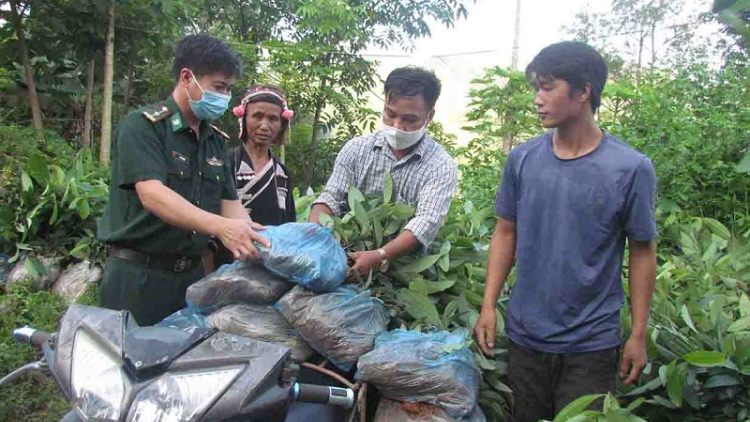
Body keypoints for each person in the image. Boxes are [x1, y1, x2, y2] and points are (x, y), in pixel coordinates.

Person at [473, 41, 657, 421]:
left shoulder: (630, 168)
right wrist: (488, 305)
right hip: (526, 338)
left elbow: (642, 250)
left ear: (584, 91)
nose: (538, 99)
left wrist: (638, 333)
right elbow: (506, 232)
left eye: (548, 86)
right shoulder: (522, 159)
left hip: (590, 345)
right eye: (536, 88)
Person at [97, 34, 269, 326]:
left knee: (183, 365)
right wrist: (223, 228)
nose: (224, 97)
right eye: (218, 87)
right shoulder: (143, 127)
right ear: (187, 77)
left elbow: (230, 205)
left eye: (228, 89)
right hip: (138, 276)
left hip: (191, 279)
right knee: (125, 362)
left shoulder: (215, 142)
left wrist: (265, 241)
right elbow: (152, 194)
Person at [308, 66, 458, 275]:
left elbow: (426, 221)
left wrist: (380, 255)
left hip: (402, 266)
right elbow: (331, 197)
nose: (397, 126)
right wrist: (314, 238)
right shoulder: (356, 149)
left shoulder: (440, 166)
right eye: (390, 114)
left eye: (410, 119)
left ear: (429, 116)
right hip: (343, 254)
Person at [212, 85, 297, 268]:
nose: (265, 125)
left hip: (269, 267)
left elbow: (289, 229)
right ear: (244, 118)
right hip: (225, 265)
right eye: (257, 116)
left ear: (281, 125)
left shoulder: (283, 174)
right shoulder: (224, 163)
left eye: (273, 119)